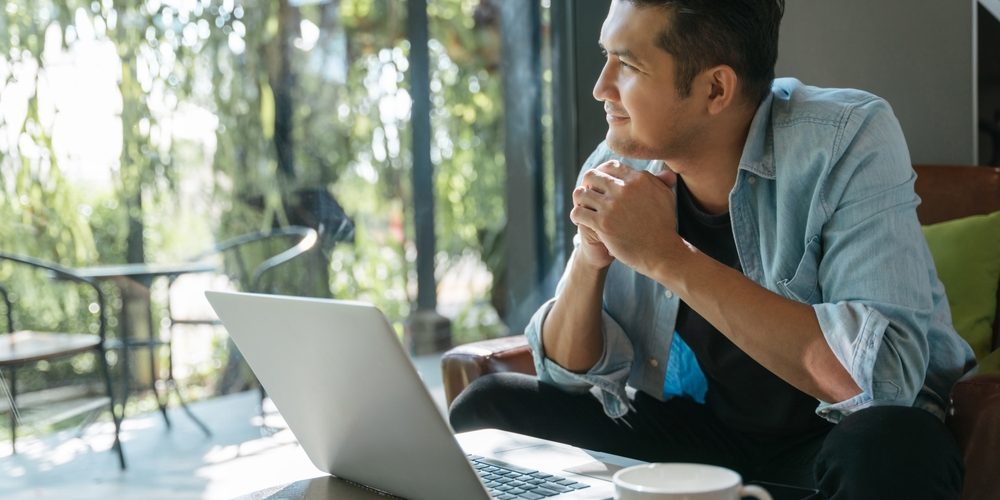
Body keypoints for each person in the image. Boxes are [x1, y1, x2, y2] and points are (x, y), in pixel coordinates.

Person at [449, 0, 977, 498]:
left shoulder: (846, 139)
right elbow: (567, 375)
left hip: (828, 440)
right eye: (604, 56)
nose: (600, 87)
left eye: (627, 65)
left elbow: (883, 379)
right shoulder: (622, 161)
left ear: (715, 89)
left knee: (892, 444)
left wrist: (667, 256)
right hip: (703, 434)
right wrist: (591, 260)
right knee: (490, 411)